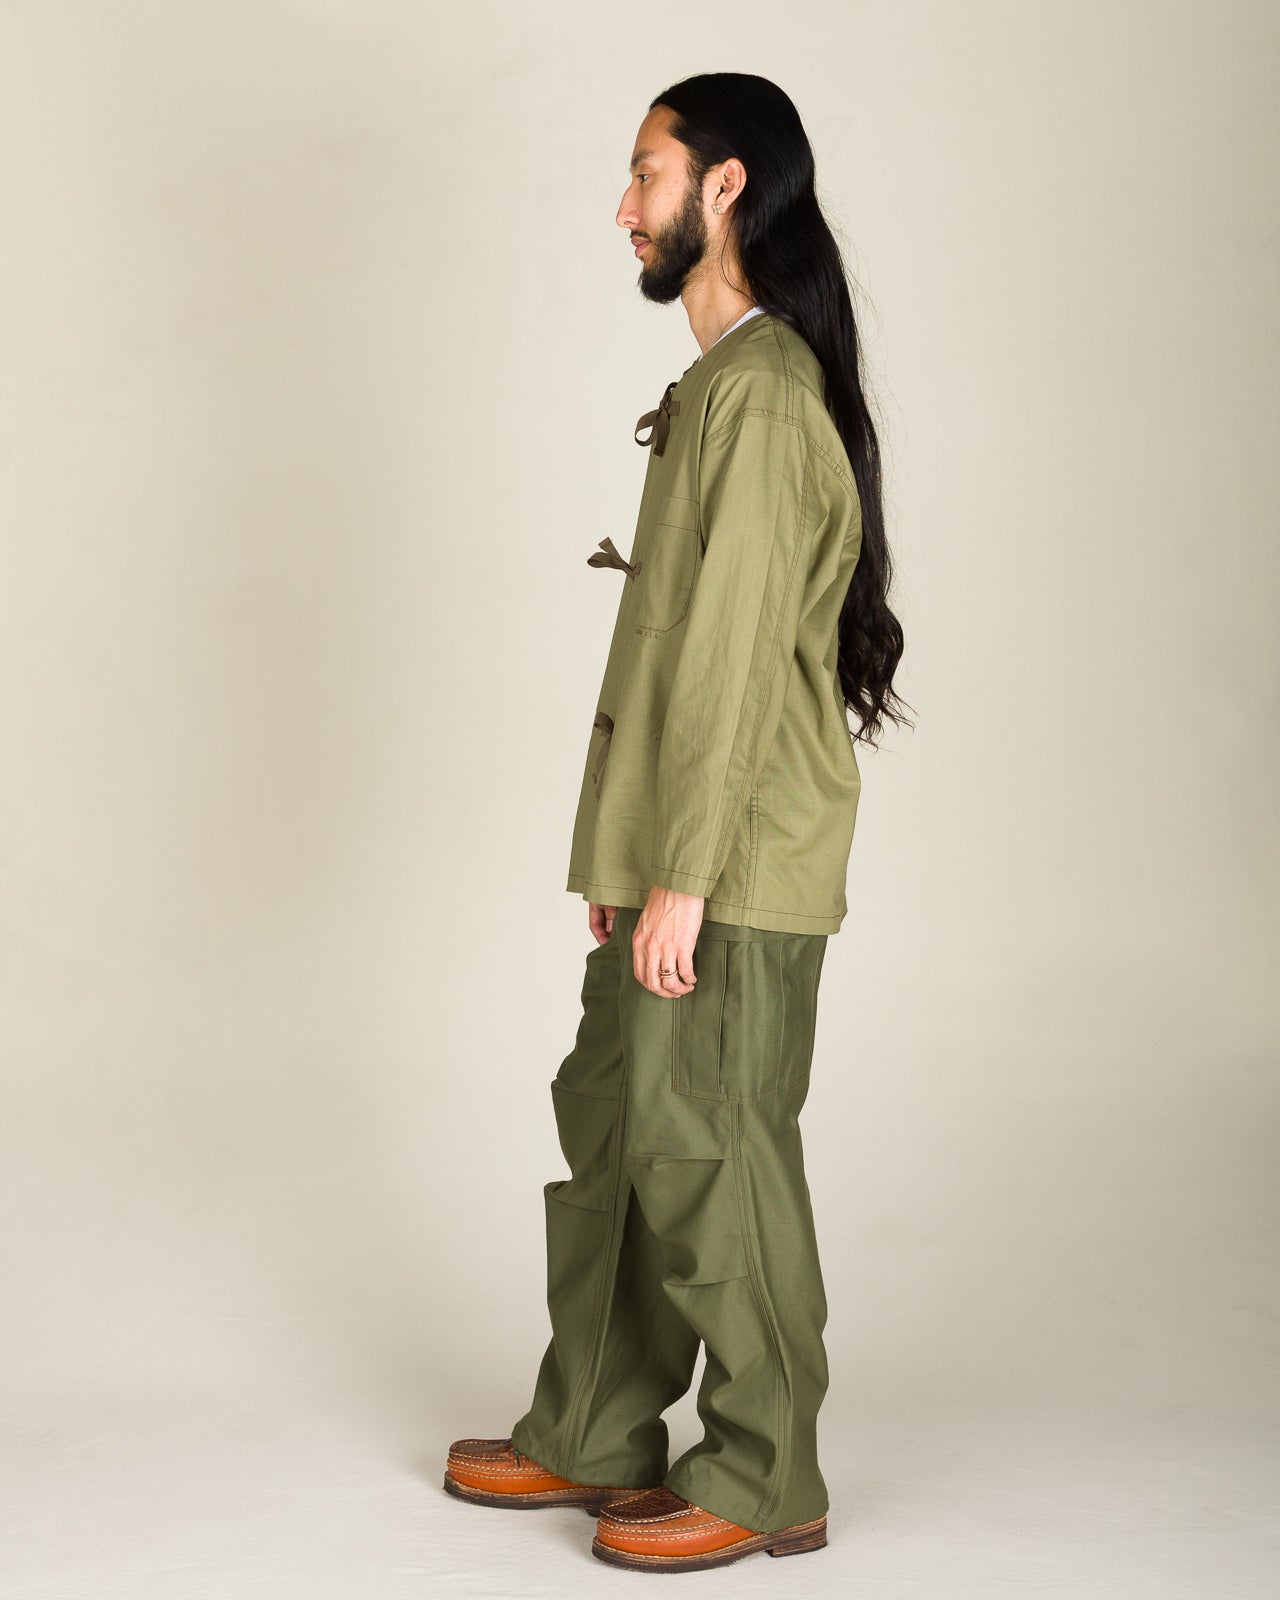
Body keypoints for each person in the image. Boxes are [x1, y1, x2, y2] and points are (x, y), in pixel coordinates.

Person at [444, 70, 911, 1574]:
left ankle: (768, 1472)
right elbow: (676, 658)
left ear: (725, 187)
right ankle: (593, 1428)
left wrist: (688, 879)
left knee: (713, 1146)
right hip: (679, 858)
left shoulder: (763, 399)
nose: (623, 205)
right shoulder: (723, 387)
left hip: (736, 869)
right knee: (620, 1131)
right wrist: (629, 859)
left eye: (646, 173)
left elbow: (728, 668)